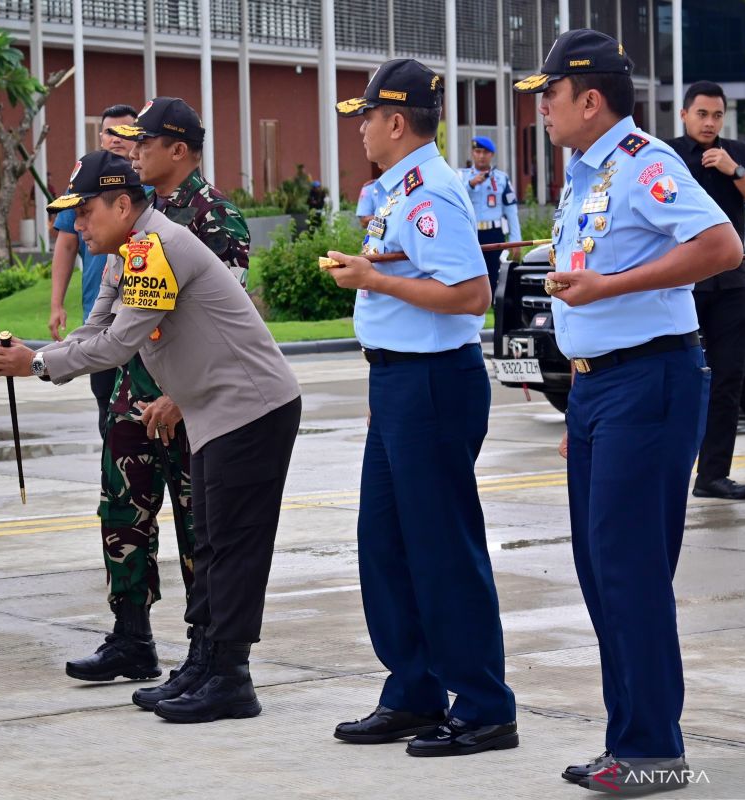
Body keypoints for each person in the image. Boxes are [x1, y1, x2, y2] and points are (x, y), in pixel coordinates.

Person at [0, 150, 300, 724]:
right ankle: (204, 665)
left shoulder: (158, 248)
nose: (77, 226)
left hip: (250, 410)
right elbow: (93, 330)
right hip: (216, 412)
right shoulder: (132, 250)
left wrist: (34, 365)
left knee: (231, 547)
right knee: (211, 543)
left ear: (122, 205)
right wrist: (29, 354)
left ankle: (232, 678)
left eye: (85, 212)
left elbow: (117, 346)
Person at [516, 29, 742, 793]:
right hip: (601, 391)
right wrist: (581, 398)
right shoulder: (585, 174)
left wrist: (610, 290)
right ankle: (630, 738)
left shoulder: (646, 160)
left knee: (630, 570)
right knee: (599, 569)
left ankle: (654, 751)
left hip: (651, 383)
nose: (541, 109)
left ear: (588, 98)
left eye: (548, 95)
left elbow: (720, 247)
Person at [325, 58, 518, 757]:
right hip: (401, 382)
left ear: (397, 122)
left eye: (368, 117)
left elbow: (471, 295)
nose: (362, 130)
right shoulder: (399, 188)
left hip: (434, 382)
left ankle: (484, 705)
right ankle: (413, 689)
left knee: (440, 547)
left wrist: (374, 277)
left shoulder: (431, 193)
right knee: (385, 544)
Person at [98, 96, 252, 710]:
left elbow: (224, 327)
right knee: (122, 516)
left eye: (145, 142)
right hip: (132, 395)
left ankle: (203, 655)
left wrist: (177, 397)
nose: (133, 151)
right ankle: (131, 637)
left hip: (183, 404)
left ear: (179, 150)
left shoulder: (216, 219)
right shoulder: (137, 218)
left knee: (199, 532)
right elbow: (118, 308)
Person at [668, 81, 745, 501]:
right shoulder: (662, 154)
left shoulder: (737, 154)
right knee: (675, 377)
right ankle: (666, 469)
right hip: (681, 283)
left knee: (728, 380)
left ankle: (712, 476)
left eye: (717, 115)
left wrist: (733, 170)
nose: (709, 122)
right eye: (701, 114)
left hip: (733, 284)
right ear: (684, 114)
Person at [49, 103, 139, 439]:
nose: (115, 138)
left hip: (142, 326)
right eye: (108, 131)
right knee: (111, 420)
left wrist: (33, 364)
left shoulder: (146, 192)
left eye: (124, 131)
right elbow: (66, 245)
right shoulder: (82, 185)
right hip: (100, 318)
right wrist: (56, 303)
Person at [459, 136, 522, 293]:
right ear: (472, 153)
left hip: (494, 233)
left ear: (492, 155)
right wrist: (470, 184)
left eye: (485, 152)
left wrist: (516, 240)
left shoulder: (501, 178)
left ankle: (496, 307)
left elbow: (511, 210)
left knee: (495, 274)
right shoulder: (462, 177)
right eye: (478, 151)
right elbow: (454, 200)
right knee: (471, 274)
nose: (481, 156)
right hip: (471, 234)